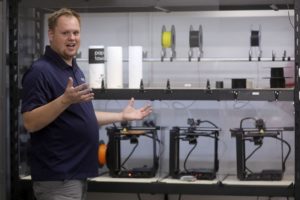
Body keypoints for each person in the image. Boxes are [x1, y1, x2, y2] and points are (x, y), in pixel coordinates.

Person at [21, 8, 152, 200]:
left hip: (77, 175)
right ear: (51, 35)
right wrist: (64, 100)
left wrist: (121, 116)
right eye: (65, 33)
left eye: (76, 32)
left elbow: (81, 116)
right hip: (58, 178)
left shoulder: (73, 69)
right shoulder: (40, 71)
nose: (72, 38)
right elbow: (30, 122)